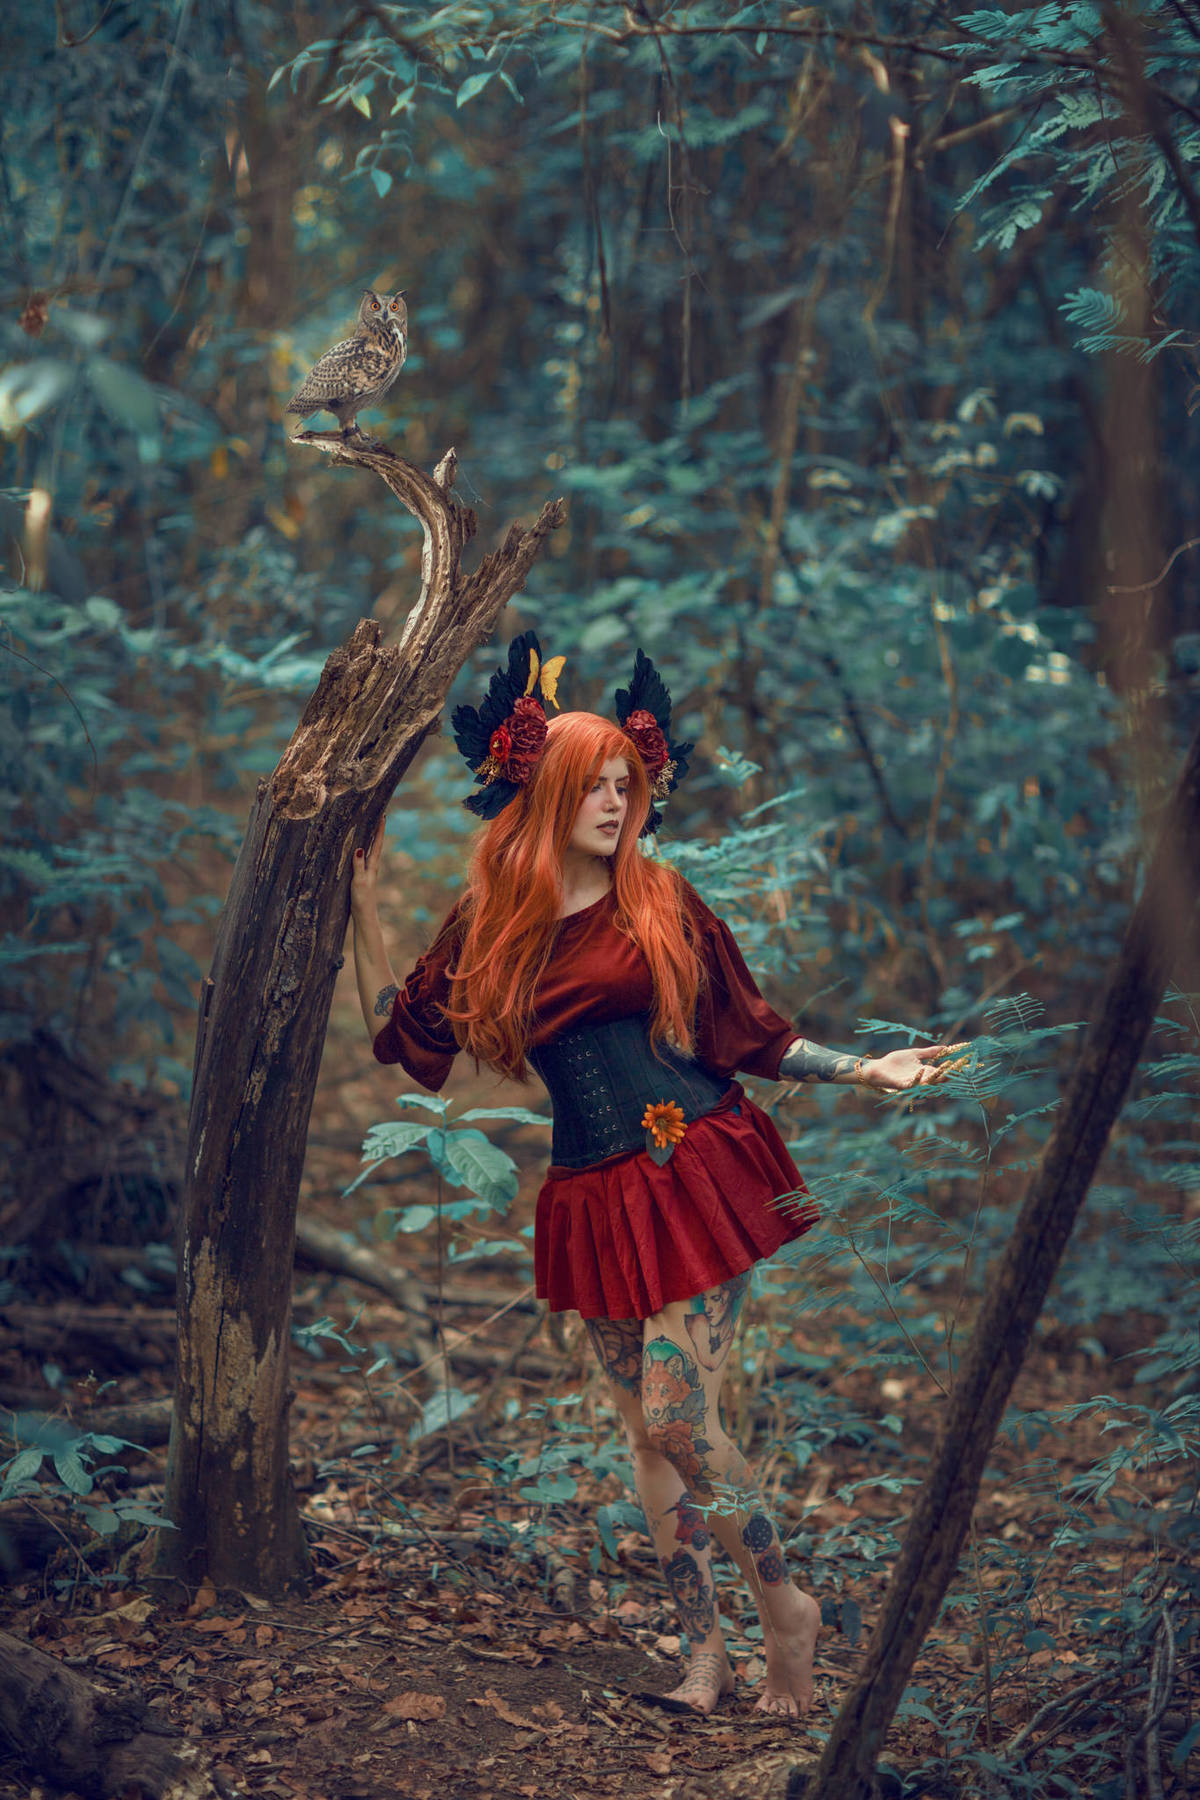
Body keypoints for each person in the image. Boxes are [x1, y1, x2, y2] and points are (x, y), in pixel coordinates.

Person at [349, 635, 959, 1718]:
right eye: (595, 786)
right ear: (545, 794)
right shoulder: (487, 923)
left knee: (680, 1419)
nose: (615, 802)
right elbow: (402, 1040)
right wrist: (356, 913)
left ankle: (789, 1617)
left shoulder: (662, 899)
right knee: (646, 1435)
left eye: (628, 786)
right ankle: (702, 1654)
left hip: (691, 1167)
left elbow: (748, 1032)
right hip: (589, 1190)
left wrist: (866, 1067)